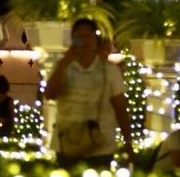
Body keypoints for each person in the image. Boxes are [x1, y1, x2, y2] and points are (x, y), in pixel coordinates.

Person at [44, 18, 133, 168]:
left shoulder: (110, 70)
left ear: (96, 40)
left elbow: (120, 107)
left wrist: (128, 142)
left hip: (101, 144)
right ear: (73, 40)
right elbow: (50, 94)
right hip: (67, 142)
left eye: (89, 37)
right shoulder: (63, 66)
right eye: (79, 38)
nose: (84, 42)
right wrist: (64, 62)